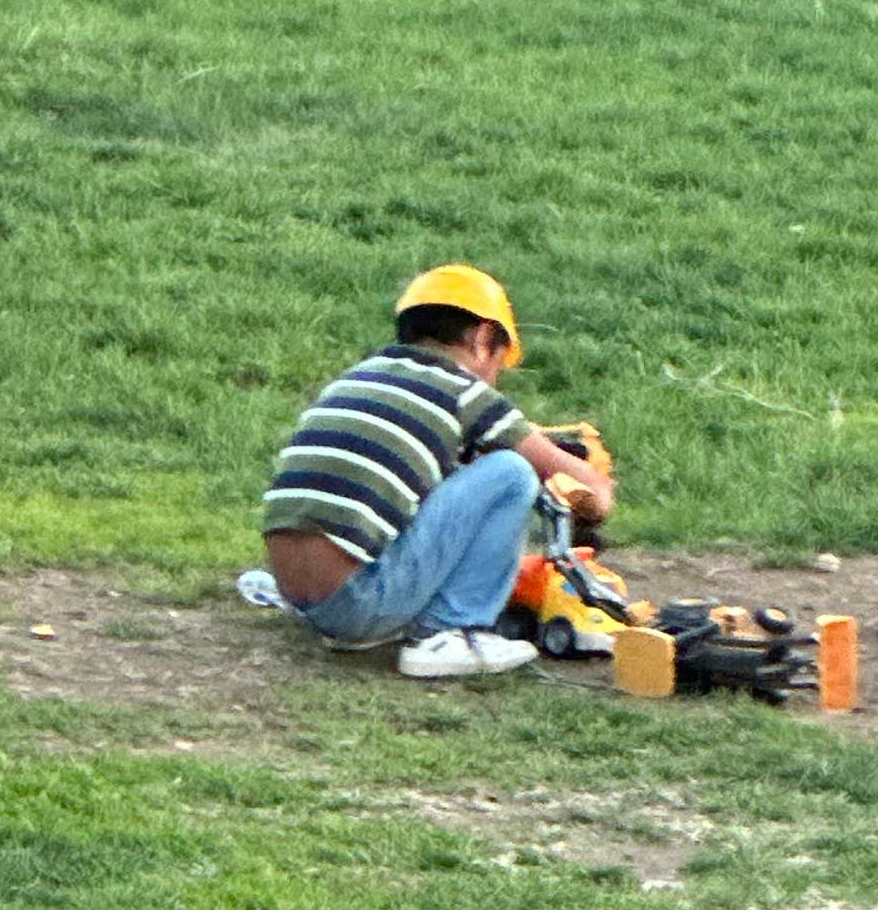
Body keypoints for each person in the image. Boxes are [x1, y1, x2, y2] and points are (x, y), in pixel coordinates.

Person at [250, 268, 610, 681]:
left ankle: (379, 623)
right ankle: (454, 632)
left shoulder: (357, 379)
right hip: (359, 601)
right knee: (512, 471)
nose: (496, 379)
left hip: (302, 596)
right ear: (481, 339)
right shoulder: (465, 391)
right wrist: (591, 479)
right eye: (499, 361)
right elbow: (592, 493)